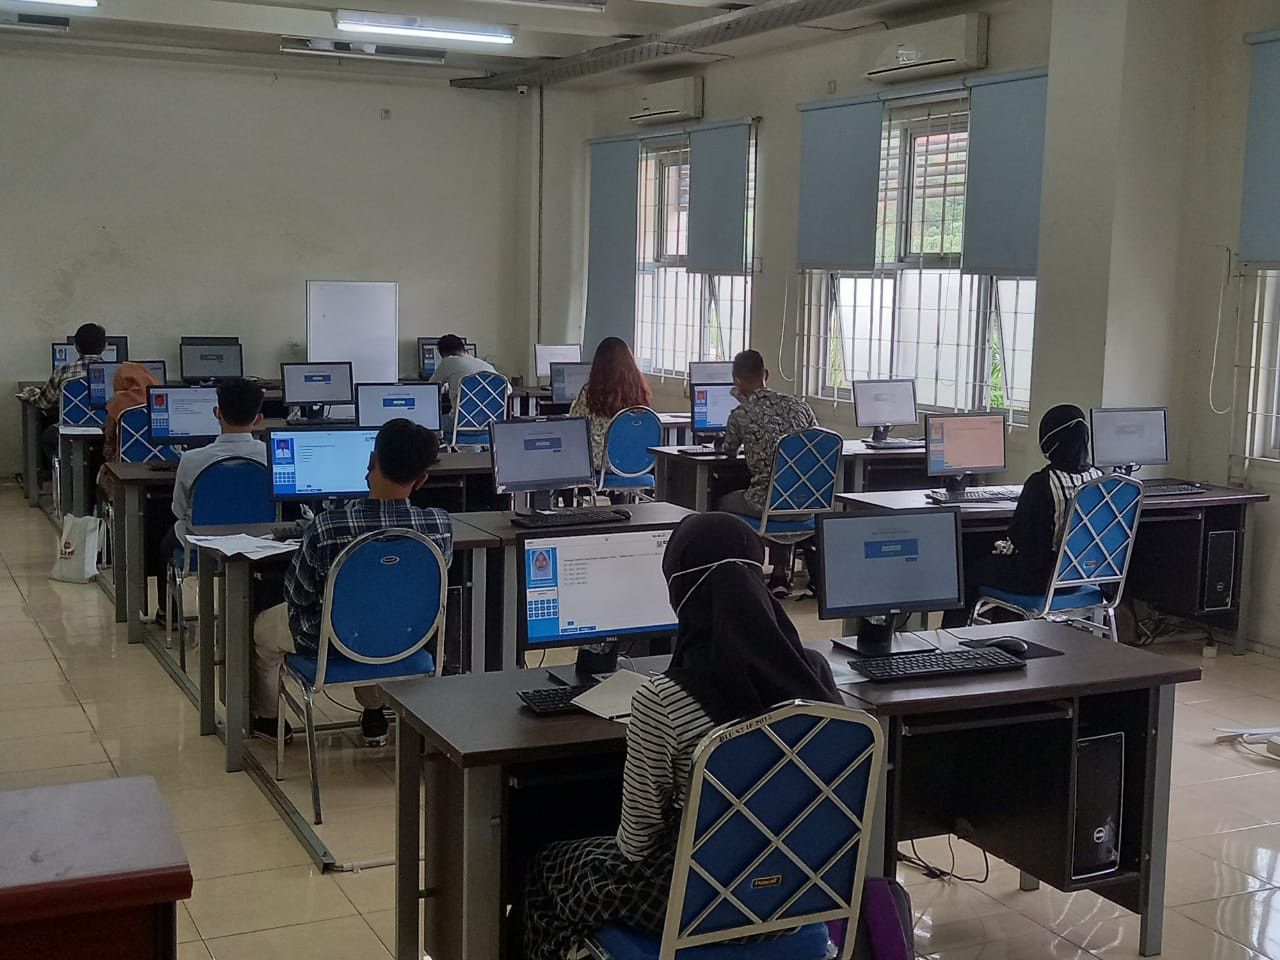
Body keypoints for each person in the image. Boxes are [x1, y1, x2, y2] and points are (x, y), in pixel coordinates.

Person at [517, 513, 840, 960]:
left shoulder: (663, 698)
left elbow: (636, 844)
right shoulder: (814, 673)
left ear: (681, 592)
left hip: (694, 904)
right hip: (800, 893)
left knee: (546, 867)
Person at [251, 418, 453, 746]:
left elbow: (296, 595)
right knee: (381, 616)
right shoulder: (439, 526)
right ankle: (374, 715)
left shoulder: (327, 527)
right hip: (406, 638)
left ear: (371, 462)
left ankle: (269, 720)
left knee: (263, 629)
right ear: (422, 479)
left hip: (326, 638)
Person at [942, 403, 1104, 627]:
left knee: (965, 568)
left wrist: (997, 547)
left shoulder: (1042, 483)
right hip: (1081, 577)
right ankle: (1005, 629)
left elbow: (1020, 540)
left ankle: (951, 640)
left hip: (1039, 581)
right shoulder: (1100, 479)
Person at [157, 378, 266, 620]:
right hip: (260, 545)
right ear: (258, 418)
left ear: (217, 413)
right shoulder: (271, 459)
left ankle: (169, 614)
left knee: (166, 541)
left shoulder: (191, 459)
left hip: (203, 545)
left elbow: (179, 509)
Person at [715, 349, 819, 594]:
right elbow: (817, 443)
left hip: (767, 503)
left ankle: (739, 574)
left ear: (737, 383)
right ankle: (780, 575)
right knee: (782, 489)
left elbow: (729, 451)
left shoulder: (741, 414)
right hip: (806, 503)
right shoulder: (800, 406)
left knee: (719, 503)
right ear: (767, 375)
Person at [21, 323, 108, 464]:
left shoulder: (64, 371)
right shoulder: (116, 373)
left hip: (71, 429)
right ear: (105, 346)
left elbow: (44, 403)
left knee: (47, 438)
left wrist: (31, 393)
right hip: (106, 429)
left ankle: (64, 473)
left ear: (76, 346)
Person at [569, 336, 652, 471]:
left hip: (601, 463)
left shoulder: (591, 392)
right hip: (634, 463)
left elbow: (574, 425)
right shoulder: (640, 392)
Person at [98, 361, 163, 500]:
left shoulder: (119, 401)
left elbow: (109, 440)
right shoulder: (162, 398)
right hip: (163, 464)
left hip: (126, 466)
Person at [429, 333, 496, 434]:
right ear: (465, 349)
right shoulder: (486, 365)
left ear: (443, 354)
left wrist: (446, 388)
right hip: (489, 426)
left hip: (460, 424)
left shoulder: (448, 362)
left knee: (428, 423)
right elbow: (508, 389)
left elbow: (430, 388)